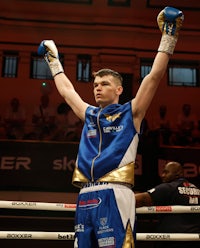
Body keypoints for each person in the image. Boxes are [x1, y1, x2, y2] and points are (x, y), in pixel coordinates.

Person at [38, 6, 184, 248]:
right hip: (85, 194)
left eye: (104, 84)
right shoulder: (89, 114)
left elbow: (154, 77)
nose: (97, 87)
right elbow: (66, 91)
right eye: (95, 83)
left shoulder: (132, 112)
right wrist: (53, 61)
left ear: (118, 90)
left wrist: (169, 36)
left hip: (115, 193)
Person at [135, 161, 200, 248]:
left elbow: (141, 200)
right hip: (194, 240)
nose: (163, 175)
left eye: (166, 172)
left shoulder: (169, 187)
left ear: (178, 174)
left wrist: (116, 197)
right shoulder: (197, 190)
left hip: (172, 242)